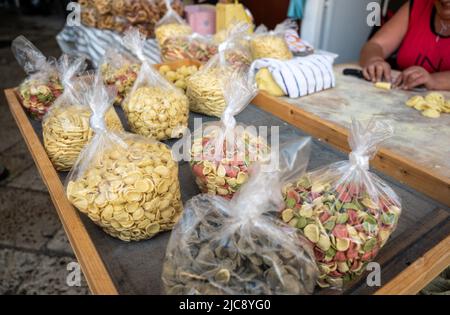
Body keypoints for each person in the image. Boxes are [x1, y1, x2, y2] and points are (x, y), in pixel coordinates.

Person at [360, 0, 450, 91]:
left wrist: (434, 81)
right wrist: (374, 60)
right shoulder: (419, 4)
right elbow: (375, 45)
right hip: (400, 96)